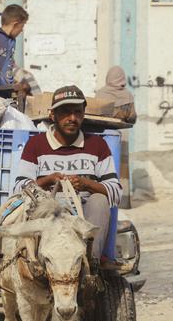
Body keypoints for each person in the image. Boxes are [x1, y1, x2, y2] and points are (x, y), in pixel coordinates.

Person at [13, 85, 121, 260]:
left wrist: (86, 184)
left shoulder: (97, 145)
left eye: (77, 112)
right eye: (65, 112)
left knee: (100, 201)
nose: (72, 118)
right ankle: (42, 261)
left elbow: (116, 192)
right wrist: (47, 181)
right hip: (48, 217)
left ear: (83, 114)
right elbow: (19, 189)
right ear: (52, 115)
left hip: (84, 217)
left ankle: (89, 264)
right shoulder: (36, 145)